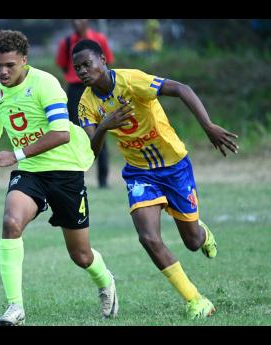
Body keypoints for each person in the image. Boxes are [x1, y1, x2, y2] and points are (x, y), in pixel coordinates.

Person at [0, 30, 118, 326]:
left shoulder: (45, 84)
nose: (2, 72)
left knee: (80, 255)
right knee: (11, 222)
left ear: (24, 61)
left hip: (66, 169)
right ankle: (15, 307)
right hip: (30, 171)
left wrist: (14, 155)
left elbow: (60, 133)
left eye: (9, 65)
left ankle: (106, 281)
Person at [72, 39, 239, 319]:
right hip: (139, 172)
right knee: (148, 237)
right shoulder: (85, 104)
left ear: (102, 59)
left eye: (87, 64)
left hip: (174, 167)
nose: (83, 71)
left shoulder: (132, 80)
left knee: (192, 241)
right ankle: (196, 300)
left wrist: (208, 126)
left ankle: (201, 230)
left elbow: (182, 89)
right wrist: (103, 126)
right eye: (78, 68)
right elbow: (92, 150)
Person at [56, 19, 114, 188]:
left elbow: (107, 61)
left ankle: (103, 180)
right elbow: (64, 66)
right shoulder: (65, 43)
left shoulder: (99, 39)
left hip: (96, 89)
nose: (76, 22)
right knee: (74, 135)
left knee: (101, 130)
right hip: (74, 91)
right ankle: (74, 179)